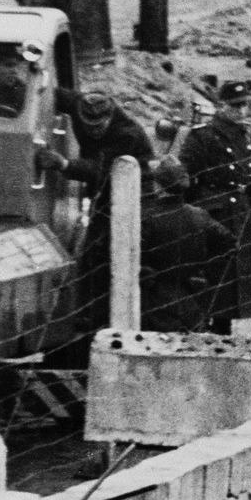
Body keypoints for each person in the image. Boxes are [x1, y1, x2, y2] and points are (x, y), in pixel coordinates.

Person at [36, 91, 156, 342]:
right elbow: (52, 90)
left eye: (100, 126)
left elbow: (100, 169)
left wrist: (64, 164)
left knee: (108, 252)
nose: (93, 132)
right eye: (88, 125)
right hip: (103, 193)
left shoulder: (128, 135)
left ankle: (99, 319)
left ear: (110, 117)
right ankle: (89, 314)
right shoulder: (80, 105)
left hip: (130, 194)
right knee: (92, 253)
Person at [178, 81, 251, 332]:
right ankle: (210, 325)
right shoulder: (202, 135)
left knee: (237, 272)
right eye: (236, 106)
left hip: (240, 211)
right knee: (215, 273)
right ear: (221, 106)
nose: (242, 110)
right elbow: (184, 176)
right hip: (215, 212)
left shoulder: (246, 132)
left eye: (245, 104)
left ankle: (225, 323)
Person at [140, 160, 238, 333]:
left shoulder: (146, 218)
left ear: (158, 187)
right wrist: (203, 268)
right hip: (192, 300)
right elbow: (230, 244)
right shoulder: (199, 215)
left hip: (153, 300)